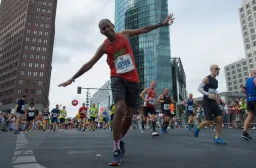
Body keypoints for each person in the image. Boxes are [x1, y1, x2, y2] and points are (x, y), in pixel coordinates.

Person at [58, 14, 175, 166]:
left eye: (107, 26)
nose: (106, 29)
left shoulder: (124, 34)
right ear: (101, 32)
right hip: (117, 79)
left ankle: (120, 140)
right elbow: (89, 64)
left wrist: (162, 24)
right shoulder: (105, 47)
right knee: (120, 107)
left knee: (129, 116)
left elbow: (144, 29)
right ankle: (116, 148)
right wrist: (72, 79)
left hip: (133, 79)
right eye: (103, 29)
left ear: (112, 26)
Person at [194, 64, 226, 144]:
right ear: (211, 70)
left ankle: (216, 137)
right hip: (207, 102)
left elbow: (213, 91)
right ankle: (198, 127)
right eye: (216, 69)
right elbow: (199, 89)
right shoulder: (207, 79)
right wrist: (208, 94)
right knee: (210, 122)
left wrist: (216, 95)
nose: (218, 70)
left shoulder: (216, 81)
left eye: (218, 69)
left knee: (220, 119)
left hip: (213, 102)